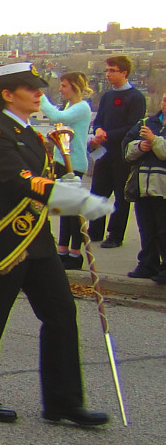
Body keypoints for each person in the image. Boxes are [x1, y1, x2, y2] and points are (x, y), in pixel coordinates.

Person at [0, 61, 112, 427]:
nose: (39, 93)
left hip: (38, 243)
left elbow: (42, 174)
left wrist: (67, 180)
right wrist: (70, 198)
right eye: (31, 89)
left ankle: (63, 402)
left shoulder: (32, 134)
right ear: (9, 95)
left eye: (39, 87)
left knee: (61, 314)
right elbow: (19, 180)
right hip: (4, 244)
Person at [87, 55, 146, 248]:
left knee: (121, 196)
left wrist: (107, 135)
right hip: (104, 152)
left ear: (124, 72)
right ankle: (94, 231)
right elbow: (99, 119)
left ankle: (115, 234)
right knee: (98, 192)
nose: (108, 74)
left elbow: (133, 127)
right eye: (107, 70)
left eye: (112, 70)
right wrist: (98, 131)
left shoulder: (135, 97)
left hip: (122, 154)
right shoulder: (107, 96)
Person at [38, 71, 93, 269]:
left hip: (74, 162)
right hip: (62, 159)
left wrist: (40, 95)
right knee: (64, 208)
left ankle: (75, 254)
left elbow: (56, 116)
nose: (61, 90)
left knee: (72, 211)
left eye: (64, 86)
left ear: (75, 88)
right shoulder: (70, 105)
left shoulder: (82, 108)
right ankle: (62, 249)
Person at [124, 90, 166, 282]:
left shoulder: (150, 131)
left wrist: (154, 140)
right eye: (164, 99)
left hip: (163, 188)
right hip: (142, 185)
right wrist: (140, 147)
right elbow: (126, 149)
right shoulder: (146, 123)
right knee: (146, 228)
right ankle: (148, 264)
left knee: (163, 229)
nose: (165, 104)